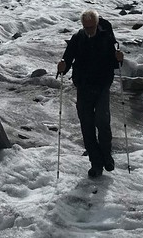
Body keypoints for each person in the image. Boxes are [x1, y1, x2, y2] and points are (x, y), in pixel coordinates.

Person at [56, 9, 125, 178]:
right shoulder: (77, 38)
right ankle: (96, 164)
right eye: (86, 27)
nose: (89, 30)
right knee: (87, 127)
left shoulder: (106, 37)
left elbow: (114, 63)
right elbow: (67, 59)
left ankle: (107, 156)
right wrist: (62, 67)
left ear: (97, 24)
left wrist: (119, 58)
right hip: (84, 87)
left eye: (91, 26)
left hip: (102, 86)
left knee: (102, 122)